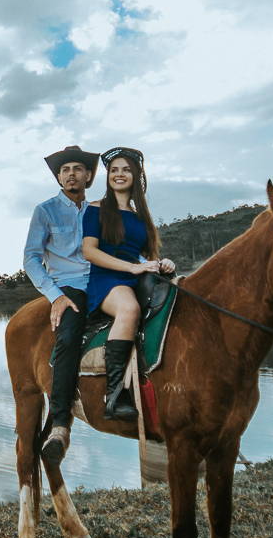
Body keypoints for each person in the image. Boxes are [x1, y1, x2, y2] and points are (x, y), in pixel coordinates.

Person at [82, 147, 175, 421]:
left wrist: (162, 263)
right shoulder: (96, 209)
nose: (119, 174)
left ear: (135, 176)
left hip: (137, 276)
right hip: (107, 278)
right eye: (114, 170)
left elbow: (148, 256)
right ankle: (114, 395)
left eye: (125, 170)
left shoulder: (139, 215)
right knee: (129, 309)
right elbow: (89, 252)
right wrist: (133, 267)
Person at [23, 145, 101, 466]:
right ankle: (60, 425)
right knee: (68, 338)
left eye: (77, 169)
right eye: (65, 170)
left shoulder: (99, 210)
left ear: (88, 175)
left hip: (103, 282)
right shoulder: (45, 211)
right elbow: (30, 259)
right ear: (59, 177)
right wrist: (55, 295)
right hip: (69, 287)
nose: (71, 174)